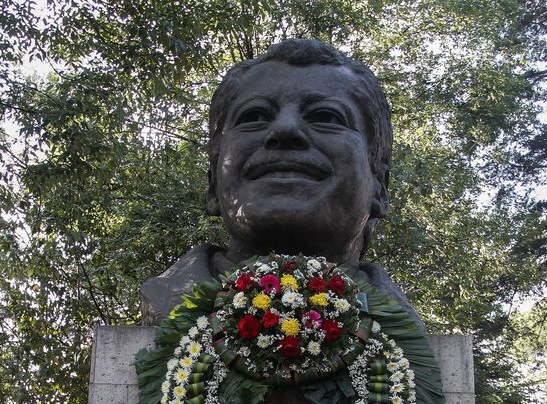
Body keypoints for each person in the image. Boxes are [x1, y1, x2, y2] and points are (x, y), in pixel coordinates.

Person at [140, 38, 420, 326]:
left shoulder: (402, 331)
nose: (286, 128)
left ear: (379, 187)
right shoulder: (170, 298)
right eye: (254, 116)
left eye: (326, 116)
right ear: (213, 186)